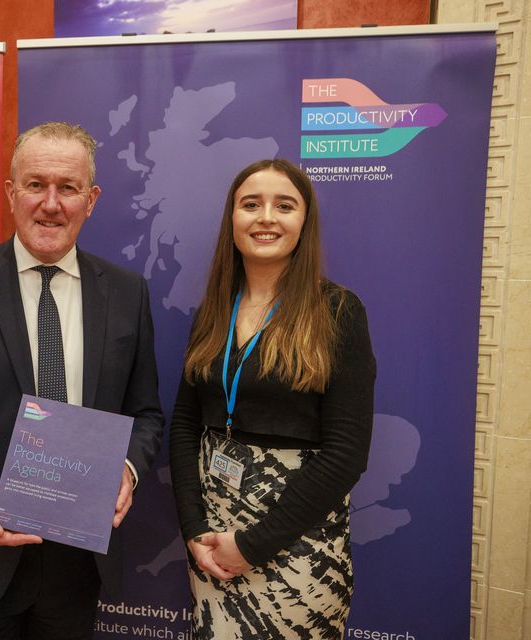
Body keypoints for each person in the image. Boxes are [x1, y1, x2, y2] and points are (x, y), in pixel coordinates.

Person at [0, 121, 164, 639]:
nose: (51, 203)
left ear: (92, 198)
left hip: (78, 565)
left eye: (68, 188)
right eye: (36, 185)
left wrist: (126, 471)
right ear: (11, 192)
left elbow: (145, 412)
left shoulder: (128, 293)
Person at [169, 159, 375, 639]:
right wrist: (194, 528)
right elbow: (184, 423)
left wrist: (254, 545)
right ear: (232, 221)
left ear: (304, 223)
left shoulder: (337, 311)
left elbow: (346, 452)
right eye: (250, 205)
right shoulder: (212, 311)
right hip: (212, 542)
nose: (266, 217)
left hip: (299, 544)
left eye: (284, 205)